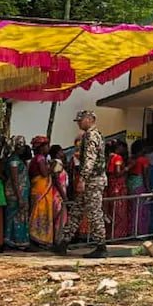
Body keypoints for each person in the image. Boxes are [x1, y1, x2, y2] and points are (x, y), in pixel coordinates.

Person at [61, 110, 108, 258]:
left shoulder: (91, 136)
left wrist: (82, 179)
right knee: (77, 210)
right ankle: (64, 242)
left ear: (89, 119)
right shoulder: (93, 135)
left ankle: (101, 245)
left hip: (92, 180)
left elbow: (90, 159)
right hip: (92, 179)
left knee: (94, 212)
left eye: (81, 120)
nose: (79, 123)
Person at [29, 136, 63, 248]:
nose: (48, 148)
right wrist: (52, 167)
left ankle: (42, 238)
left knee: (43, 212)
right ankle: (38, 238)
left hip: (42, 187)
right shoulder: (40, 159)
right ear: (41, 148)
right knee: (40, 212)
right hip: (40, 187)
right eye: (46, 146)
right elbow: (44, 173)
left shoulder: (41, 159)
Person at [3, 137, 32, 250]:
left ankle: (20, 241)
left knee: (21, 216)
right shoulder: (14, 161)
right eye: (20, 146)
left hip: (20, 192)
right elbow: (15, 180)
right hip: (15, 193)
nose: (22, 149)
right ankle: (12, 241)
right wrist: (19, 196)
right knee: (14, 216)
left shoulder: (17, 160)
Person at [105, 140, 130, 239]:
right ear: (118, 147)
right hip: (118, 187)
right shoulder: (117, 158)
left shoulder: (109, 157)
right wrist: (128, 168)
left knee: (112, 210)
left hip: (111, 186)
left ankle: (110, 234)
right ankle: (118, 234)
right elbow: (118, 172)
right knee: (119, 210)